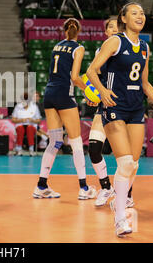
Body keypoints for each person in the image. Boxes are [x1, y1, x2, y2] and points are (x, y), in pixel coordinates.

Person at [86, 2, 153, 237]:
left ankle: (118, 198)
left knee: (133, 164)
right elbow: (91, 70)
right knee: (125, 162)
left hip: (136, 108)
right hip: (114, 106)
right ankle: (119, 219)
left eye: (142, 13)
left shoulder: (145, 47)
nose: (140, 16)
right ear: (123, 19)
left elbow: (145, 83)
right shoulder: (115, 41)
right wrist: (102, 92)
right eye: (134, 13)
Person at [34, 18, 96, 201]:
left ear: (64, 30)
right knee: (76, 141)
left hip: (49, 93)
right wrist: (89, 90)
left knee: (55, 142)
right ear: (79, 31)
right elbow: (75, 77)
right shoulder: (79, 48)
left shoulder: (56, 46)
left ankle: (41, 186)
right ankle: (84, 188)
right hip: (64, 94)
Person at [86, 18, 118, 207]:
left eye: (117, 26)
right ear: (105, 32)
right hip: (105, 105)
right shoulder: (100, 52)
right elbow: (94, 78)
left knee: (127, 157)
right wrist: (93, 95)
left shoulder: (127, 49)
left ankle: (127, 194)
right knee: (94, 148)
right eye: (110, 27)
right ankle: (106, 187)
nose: (114, 29)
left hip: (124, 106)